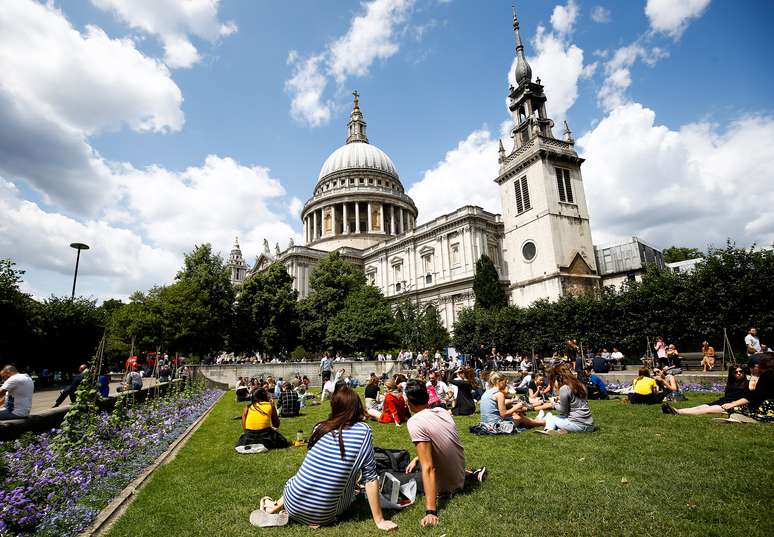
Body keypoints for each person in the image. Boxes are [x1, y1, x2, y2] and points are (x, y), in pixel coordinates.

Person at [261, 387, 397, 531]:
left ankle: (276, 506)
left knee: (302, 477)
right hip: (323, 515)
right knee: (353, 485)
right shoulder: (364, 431)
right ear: (357, 407)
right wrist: (380, 520)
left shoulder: (321, 427)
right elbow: (370, 478)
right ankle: (303, 513)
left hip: (292, 502)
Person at [403, 380, 487, 528]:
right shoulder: (442, 411)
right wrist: (418, 457)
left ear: (408, 401)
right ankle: (470, 474)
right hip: (458, 475)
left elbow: (428, 468)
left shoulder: (414, 422)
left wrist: (431, 511)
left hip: (445, 485)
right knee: (413, 463)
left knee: (397, 476)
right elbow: (444, 443)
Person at [663, 365, 750, 416]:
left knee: (706, 410)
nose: (738, 373)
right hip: (724, 400)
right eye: (736, 372)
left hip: (733, 404)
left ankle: (678, 412)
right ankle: (676, 409)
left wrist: (732, 404)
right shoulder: (732, 382)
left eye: (740, 371)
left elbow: (749, 396)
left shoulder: (748, 382)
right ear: (732, 374)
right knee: (701, 406)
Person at [479, 372, 544, 430]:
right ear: (498, 381)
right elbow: (504, 414)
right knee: (519, 418)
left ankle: (537, 421)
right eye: (505, 382)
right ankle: (542, 422)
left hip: (485, 424)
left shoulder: (487, 392)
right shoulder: (499, 394)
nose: (506, 384)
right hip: (495, 426)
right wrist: (515, 407)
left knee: (516, 416)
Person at [542, 364, 594, 433]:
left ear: (559, 377)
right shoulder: (581, 385)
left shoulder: (564, 388)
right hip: (590, 425)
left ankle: (548, 430)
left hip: (578, 425)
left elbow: (563, 411)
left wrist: (553, 404)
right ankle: (560, 430)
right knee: (551, 416)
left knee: (551, 418)